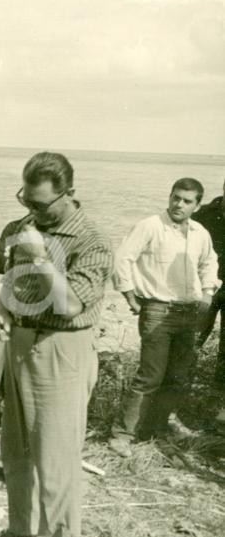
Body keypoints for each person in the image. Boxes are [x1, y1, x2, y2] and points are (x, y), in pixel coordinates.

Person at [0, 152, 113, 537]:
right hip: (19, 344)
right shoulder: (26, 225)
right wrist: (3, 313)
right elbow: (10, 281)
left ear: (69, 194)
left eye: (40, 204)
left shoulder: (92, 240)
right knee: (16, 450)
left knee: (55, 459)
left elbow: (71, 304)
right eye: (26, 200)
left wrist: (41, 257)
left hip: (61, 350)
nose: (32, 212)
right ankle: (22, 529)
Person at [108, 178, 218, 457]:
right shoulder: (150, 226)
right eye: (176, 197)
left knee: (177, 377)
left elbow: (209, 262)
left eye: (187, 200)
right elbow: (122, 259)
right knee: (150, 376)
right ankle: (121, 435)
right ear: (170, 197)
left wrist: (207, 293)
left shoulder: (199, 232)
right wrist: (129, 295)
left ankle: (154, 431)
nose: (179, 204)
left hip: (189, 312)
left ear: (197, 205)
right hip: (158, 311)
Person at [191, 179, 225, 428]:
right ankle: (174, 401)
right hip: (207, 289)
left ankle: (217, 408)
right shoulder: (205, 214)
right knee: (191, 339)